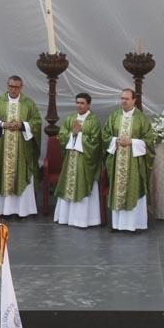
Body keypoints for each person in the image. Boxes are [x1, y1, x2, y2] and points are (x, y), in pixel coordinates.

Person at [0, 76, 41, 218]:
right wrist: (3, 124)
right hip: (2, 149)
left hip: (22, 150)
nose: (13, 89)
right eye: (11, 86)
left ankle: (23, 210)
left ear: (21, 87)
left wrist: (22, 125)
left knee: (21, 173)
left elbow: (37, 122)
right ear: (7, 86)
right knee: (2, 174)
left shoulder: (28, 104)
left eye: (16, 87)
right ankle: (2, 210)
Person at [104, 89, 154, 232]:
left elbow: (149, 140)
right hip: (117, 161)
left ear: (134, 100)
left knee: (133, 188)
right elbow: (106, 135)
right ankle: (117, 225)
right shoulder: (114, 116)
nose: (123, 101)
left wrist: (131, 142)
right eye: (122, 98)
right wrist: (116, 140)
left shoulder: (141, 118)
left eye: (126, 99)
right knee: (118, 190)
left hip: (134, 163)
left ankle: (134, 224)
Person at [53, 93, 103, 228]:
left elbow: (96, 142)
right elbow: (62, 136)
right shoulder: (70, 118)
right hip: (70, 160)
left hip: (85, 162)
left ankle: (84, 220)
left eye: (82, 103)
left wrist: (79, 135)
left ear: (88, 105)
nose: (79, 106)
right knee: (68, 185)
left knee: (82, 185)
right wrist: (72, 134)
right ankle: (65, 217)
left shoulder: (94, 121)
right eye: (77, 103)